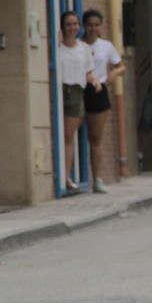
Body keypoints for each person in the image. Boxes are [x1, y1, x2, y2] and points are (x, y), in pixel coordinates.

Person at [82, 10, 126, 194]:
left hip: (98, 90)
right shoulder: (78, 45)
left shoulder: (106, 46)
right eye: (90, 25)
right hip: (78, 88)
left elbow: (120, 65)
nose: (93, 28)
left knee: (95, 138)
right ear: (84, 26)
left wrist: (113, 75)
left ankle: (97, 179)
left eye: (96, 25)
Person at [58, 11, 102, 193]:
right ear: (62, 27)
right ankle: (63, 175)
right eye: (69, 24)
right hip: (60, 91)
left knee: (68, 135)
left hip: (76, 92)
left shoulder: (84, 48)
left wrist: (95, 80)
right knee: (61, 135)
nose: (73, 27)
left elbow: (88, 71)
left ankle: (66, 176)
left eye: (75, 24)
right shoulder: (57, 48)